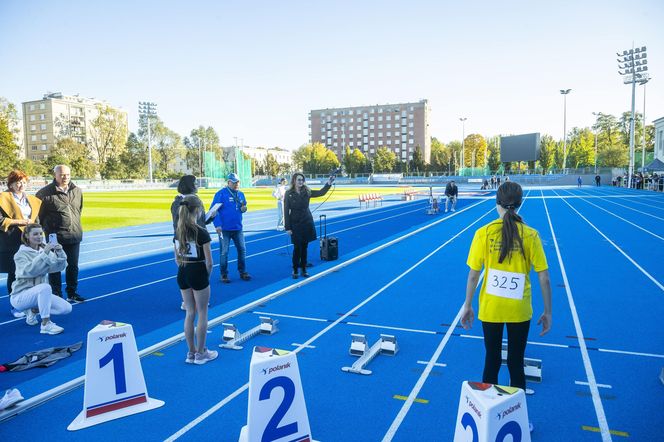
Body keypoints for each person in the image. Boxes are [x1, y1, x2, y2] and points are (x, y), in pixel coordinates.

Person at [461, 181, 552, 393]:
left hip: (491, 307)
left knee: (491, 360)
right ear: (520, 204)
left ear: (496, 203)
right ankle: (517, 420)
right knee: (515, 362)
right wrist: (547, 312)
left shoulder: (483, 233)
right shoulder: (531, 235)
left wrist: (468, 305)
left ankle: (488, 419)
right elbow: (544, 278)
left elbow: (474, 275)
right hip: (519, 310)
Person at [174, 195, 217, 365]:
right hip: (198, 272)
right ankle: (201, 353)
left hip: (182, 272)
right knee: (203, 313)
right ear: (197, 210)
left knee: (189, 313)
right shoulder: (201, 232)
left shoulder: (178, 231)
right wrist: (205, 278)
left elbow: (177, 258)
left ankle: (190, 353)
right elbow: (210, 262)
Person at [10, 223, 72, 335]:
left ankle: (33, 310)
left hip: (39, 294)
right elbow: (30, 271)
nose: (39, 236)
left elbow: (59, 267)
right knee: (45, 287)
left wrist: (59, 252)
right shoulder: (19, 255)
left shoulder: (42, 251)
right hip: (20, 297)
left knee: (66, 308)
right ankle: (46, 324)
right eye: (35, 234)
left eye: (40, 233)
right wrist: (45, 253)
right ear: (27, 236)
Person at [36, 165, 85, 303]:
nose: (65, 177)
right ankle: (57, 295)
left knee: (73, 266)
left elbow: (78, 210)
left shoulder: (77, 191)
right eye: (62, 174)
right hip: (55, 237)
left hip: (74, 235)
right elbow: (39, 216)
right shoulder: (44, 193)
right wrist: (48, 231)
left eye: (68, 174)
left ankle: (72, 293)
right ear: (55, 175)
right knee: (54, 267)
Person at [0, 171, 41, 318]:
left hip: (29, 241)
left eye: (23, 182)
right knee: (15, 274)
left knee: (30, 273)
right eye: (18, 182)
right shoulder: (2, 198)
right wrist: (21, 222)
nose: (21, 185)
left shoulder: (30, 199)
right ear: (10, 184)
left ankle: (29, 304)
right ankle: (16, 306)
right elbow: (1, 221)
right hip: (11, 241)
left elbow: (36, 220)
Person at [171, 175, 214, 310]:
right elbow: (197, 222)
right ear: (190, 185)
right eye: (195, 183)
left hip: (181, 237)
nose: (197, 185)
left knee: (184, 267)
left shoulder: (176, 202)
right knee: (196, 267)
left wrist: (210, 218)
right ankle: (197, 298)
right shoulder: (193, 201)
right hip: (193, 238)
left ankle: (187, 300)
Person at [284, 173, 334, 279]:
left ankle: (304, 269)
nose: (301, 181)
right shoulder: (288, 193)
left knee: (305, 247)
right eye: (298, 180)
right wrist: (287, 227)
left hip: (306, 222)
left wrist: (329, 183)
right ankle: (295, 269)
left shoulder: (307, 191)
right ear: (294, 181)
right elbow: (286, 211)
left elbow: (321, 192)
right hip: (295, 224)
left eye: (302, 180)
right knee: (297, 248)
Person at [211, 173, 251, 283]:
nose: (236, 184)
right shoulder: (221, 194)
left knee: (242, 250)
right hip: (224, 229)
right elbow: (213, 210)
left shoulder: (241, 194)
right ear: (228, 182)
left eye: (237, 182)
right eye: (234, 182)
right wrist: (217, 224)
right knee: (224, 252)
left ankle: (242, 272)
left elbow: (243, 206)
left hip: (238, 228)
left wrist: (244, 209)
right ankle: (224, 274)